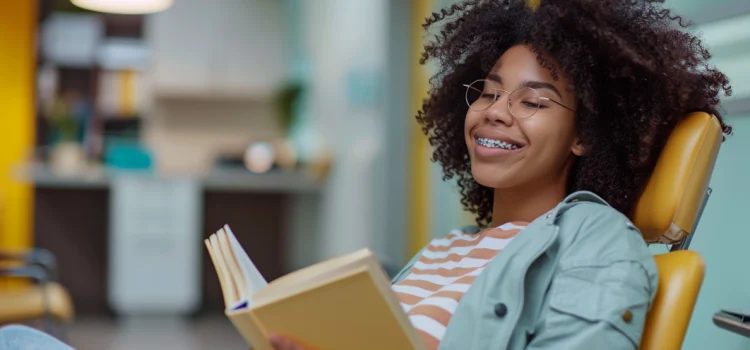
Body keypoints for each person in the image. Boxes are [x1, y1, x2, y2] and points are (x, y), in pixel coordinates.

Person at [269, 0, 731, 349]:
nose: (495, 112)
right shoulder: (444, 247)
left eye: (532, 102)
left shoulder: (597, 240)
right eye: (488, 93)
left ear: (583, 135)